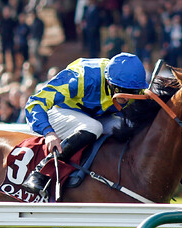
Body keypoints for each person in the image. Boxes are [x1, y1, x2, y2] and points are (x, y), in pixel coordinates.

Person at [22, 52, 149, 196]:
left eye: (132, 92)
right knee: (94, 127)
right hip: (57, 111)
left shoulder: (133, 84)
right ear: (109, 81)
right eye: (122, 91)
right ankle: (41, 171)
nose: (127, 98)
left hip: (94, 116)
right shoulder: (81, 76)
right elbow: (35, 103)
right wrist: (48, 133)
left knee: (130, 127)